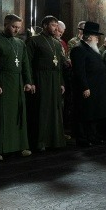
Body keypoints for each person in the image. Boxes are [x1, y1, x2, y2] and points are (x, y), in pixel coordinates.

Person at [0, 14, 34, 161]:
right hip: (3, 82)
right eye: (13, 27)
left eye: (18, 27)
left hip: (18, 83)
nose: (16, 30)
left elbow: (25, 64)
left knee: (18, 115)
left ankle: (20, 147)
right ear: (6, 24)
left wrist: (28, 81)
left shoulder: (20, 43)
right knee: (2, 116)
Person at [26, 15, 67, 151]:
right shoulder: (34, 40)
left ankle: (54, 140)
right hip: (40, 79)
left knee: (55, 110)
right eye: (53, 25)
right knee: (42, 110)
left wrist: (61, 83)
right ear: (44, 25)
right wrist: (30, 81)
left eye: (57, 25)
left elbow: (59, 66)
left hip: (55, 79)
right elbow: (28, 63)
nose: (56, 28)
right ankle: (40, 142)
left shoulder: (57, 43)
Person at [69, 21, 106, 146]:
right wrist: (85, 87)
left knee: (93, 113)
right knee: (84, 114)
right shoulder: (78, 49)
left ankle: (92, 136)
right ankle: (82, 138)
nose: (97, 39)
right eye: (96, 36)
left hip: (97, 88)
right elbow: (79, 71)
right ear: (90, 37)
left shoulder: (92, 49)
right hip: (87, 88)